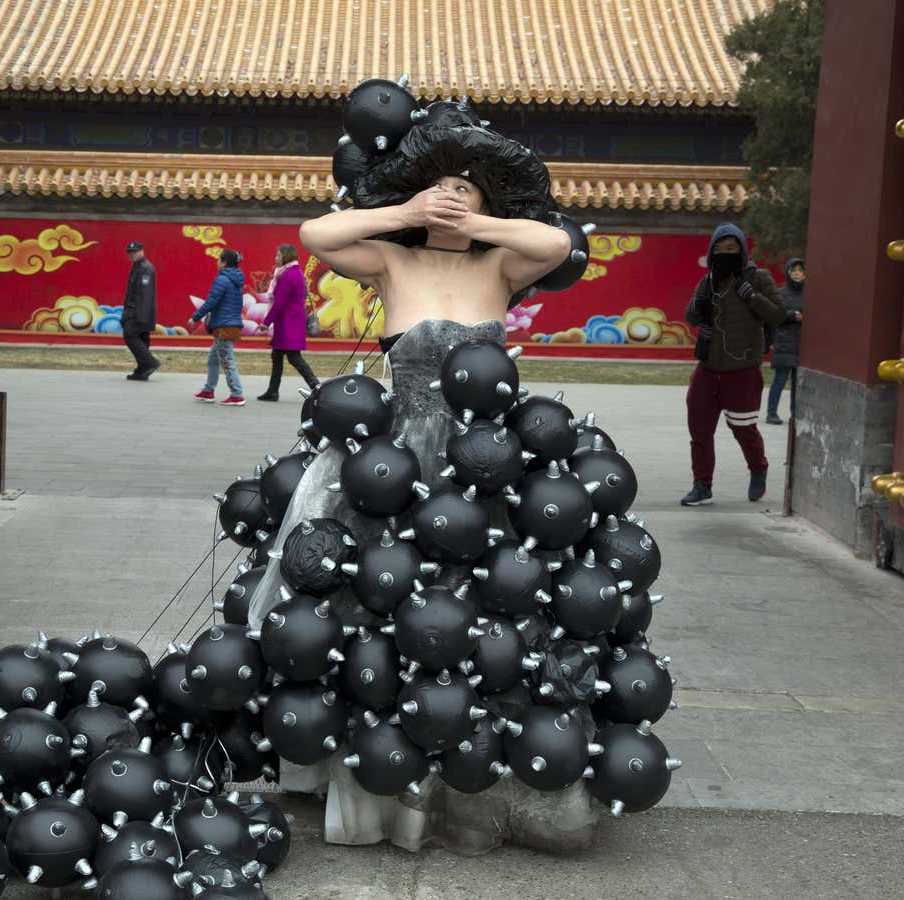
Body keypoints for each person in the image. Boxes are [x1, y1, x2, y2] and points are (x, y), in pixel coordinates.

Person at [246, 101, 582, 855]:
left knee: (483, 611)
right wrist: (403, 209)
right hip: (389, 461)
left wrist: (481, 225)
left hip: (485, 462)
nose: (455, 194)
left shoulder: (502, 261)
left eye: (471, 187)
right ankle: (376, 780)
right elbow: (315, 235)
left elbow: (557, 242)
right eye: (443, 184)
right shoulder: (390, 258)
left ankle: (468, 777)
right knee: (374, 612)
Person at [681, 223, 788, 507]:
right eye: (719, 248)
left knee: (743, 428)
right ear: (711, 251)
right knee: (700, 430)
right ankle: (702, 485)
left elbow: (778, 314)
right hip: (707, 367)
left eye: (731, 248)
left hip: (742, 369)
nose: (725, 253)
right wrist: (698, 304)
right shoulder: (708, 281)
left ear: (741, 250)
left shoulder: (759, 278)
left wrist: (751, 296)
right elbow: (691, 317)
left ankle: (758, 468)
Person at [258, 243, 320, 401]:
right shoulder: (293, 272)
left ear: (286, 256)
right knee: (277, 355)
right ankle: (272, 391)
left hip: (288, 322)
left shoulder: (288, 275)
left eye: (278, 255)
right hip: (289, 321)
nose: (276, 258)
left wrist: (266, 322)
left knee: (294, 357)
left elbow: (280, 302)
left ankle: (317, 387)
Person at [191, 249, 247, 407]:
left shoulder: (222, 279)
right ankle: (208, 391)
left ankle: (237, 395)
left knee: (227, 361)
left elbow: (211, 302)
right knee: (213, 359)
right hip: (229, 324)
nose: (216, 262)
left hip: (224, 326)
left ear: (224, 263)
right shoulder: (236, 278)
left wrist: (195, 317)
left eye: (218, 260)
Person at [766, 257, 806, 424]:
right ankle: (771, 413)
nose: (797, 274)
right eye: (793, 271)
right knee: (780, 379)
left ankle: (795, 414)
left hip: (802, 344)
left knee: (798, 383)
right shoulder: (781, 293)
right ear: (788, 273)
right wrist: (792, 315)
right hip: (784, 342)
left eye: (800, 271)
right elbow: (775, 314)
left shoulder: (810, 293)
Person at [121, 241, 161, 381]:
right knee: (142, 340)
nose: (132, 254)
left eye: (135, 251)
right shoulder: (137, 266)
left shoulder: (145, 268)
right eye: (130, 252)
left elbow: (144, 294)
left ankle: (150, 362)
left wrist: (140, 316)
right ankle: (142, 370)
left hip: (139, 311)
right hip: (136, 310)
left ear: (142, 251)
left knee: (130, 335)